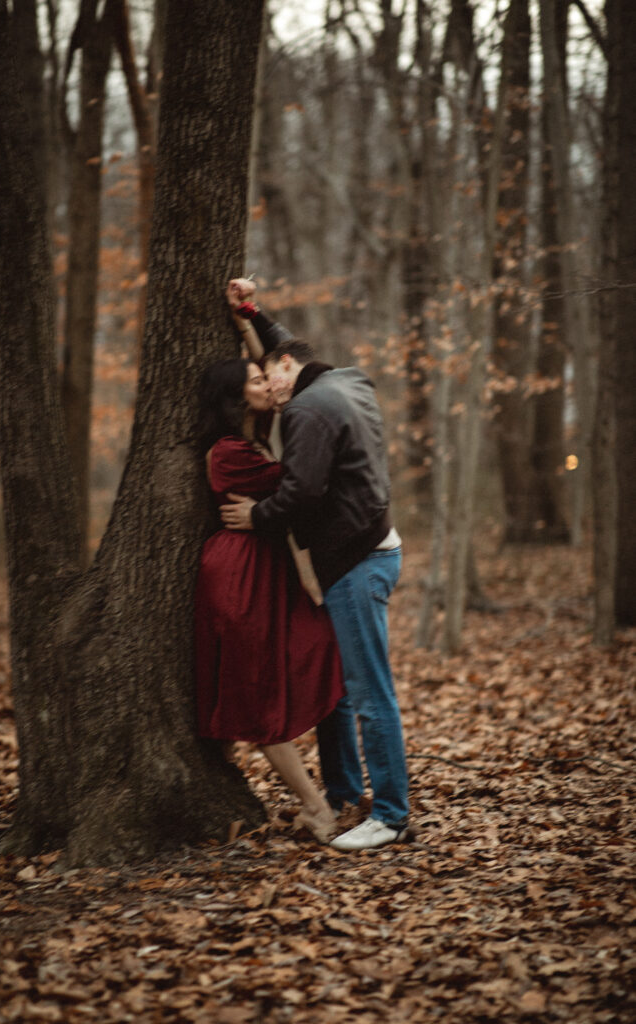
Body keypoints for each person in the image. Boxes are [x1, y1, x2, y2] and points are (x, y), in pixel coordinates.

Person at [220, 279, 409, 851]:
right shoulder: (344, 381)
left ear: (285, 369)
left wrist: (258, 517)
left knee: (369, 692)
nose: (268, 391)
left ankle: (391, 816)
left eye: (267, 374)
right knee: (342, 691)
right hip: (375, 549)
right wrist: (250, 312)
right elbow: (286, 346)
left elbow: (301, 492)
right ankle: (347, 792)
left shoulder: (306, 409)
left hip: (357, 562)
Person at [194, 355, 345, 843]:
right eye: (258, 380)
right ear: (237, 396)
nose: (269, 384)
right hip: (241, 579)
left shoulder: (251, 441)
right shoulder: (228, 451)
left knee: (320, 648)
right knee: (258, 696)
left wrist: (248, 317)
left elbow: (290, 486)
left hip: (264, 570)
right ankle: (318, 807)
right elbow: (301, 486)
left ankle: (331, 794)